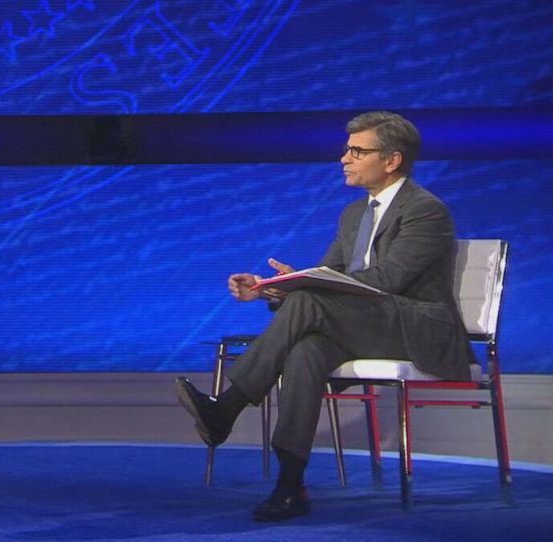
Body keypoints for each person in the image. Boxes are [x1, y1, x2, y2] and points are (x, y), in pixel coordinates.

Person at [175, 111, 474, 522]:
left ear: (392, 160)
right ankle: (290, 486)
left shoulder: (425, 210)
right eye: (346, 149)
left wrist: (309, 289)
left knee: (310, 306)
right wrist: (275, 288)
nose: (344, 158)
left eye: (357, 150)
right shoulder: (353, 214)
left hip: (416, 328)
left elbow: (389, 279)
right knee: (307, 351)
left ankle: (226, 407)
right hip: (365, 323)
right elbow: (330, 278)